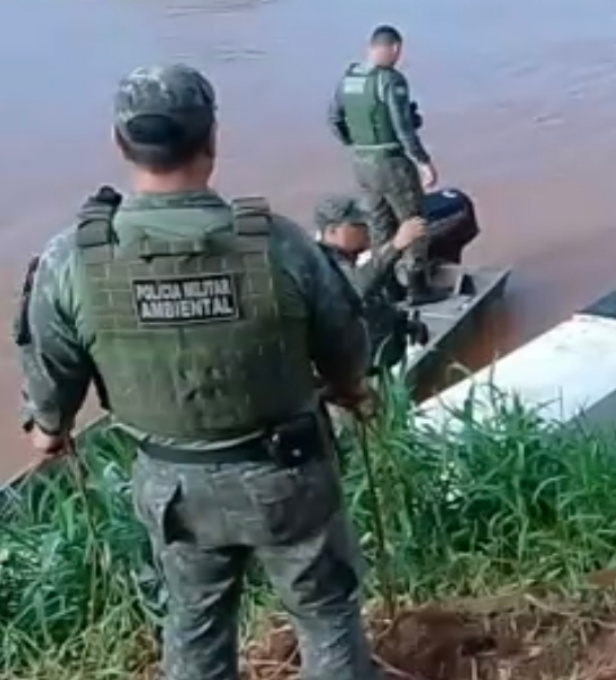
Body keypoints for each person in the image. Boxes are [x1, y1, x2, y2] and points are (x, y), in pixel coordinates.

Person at [14, 64, 382, 680]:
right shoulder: (279, 244)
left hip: (175, 491)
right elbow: (346, 347)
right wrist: (350, 389)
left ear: (119, 142)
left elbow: (52, 380)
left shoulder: (74, 259)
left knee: (194, 625)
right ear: (212, 138)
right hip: (288, 477)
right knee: (326, 617)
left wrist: (49, 429)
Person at [327, 24, 441, 305]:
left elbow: (333, 119)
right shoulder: (390, 80)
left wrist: (355, 144)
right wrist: (423, 161)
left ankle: (387, 288)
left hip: (361, 165)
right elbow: (403, 128)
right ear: (394, 48)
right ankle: (417, 288)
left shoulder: (348, 79)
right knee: (414, 221)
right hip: (391, 163)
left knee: (379, 225)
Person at [314, 194, 431, 372]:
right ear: (332, 231)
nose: (367, 229)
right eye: (357, 225)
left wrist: (403, 325)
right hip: (356, 367)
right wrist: (395, 246)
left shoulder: (343, 260)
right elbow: (357, 287)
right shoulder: (320, 263)